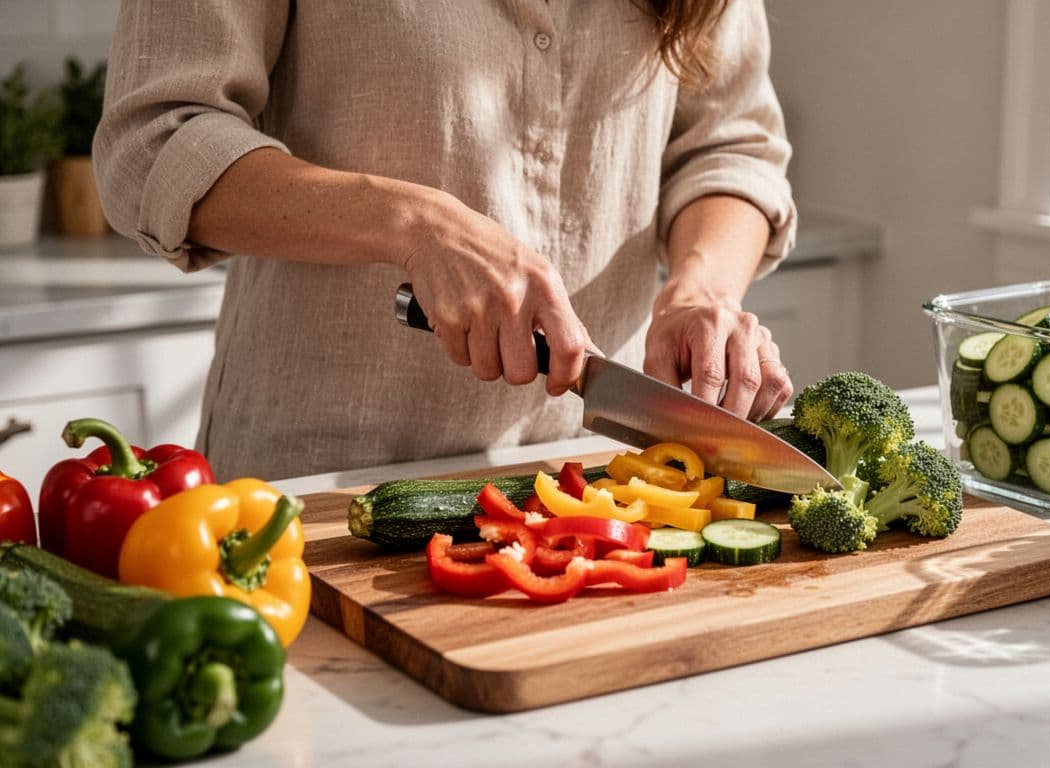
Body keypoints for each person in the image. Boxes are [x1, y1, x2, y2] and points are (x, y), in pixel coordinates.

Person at [93, 0, 797, 482]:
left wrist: (701, 284)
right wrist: (414, 223)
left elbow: (729, 144)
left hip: (603, 473)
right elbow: (156, 142)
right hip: (317, 484)